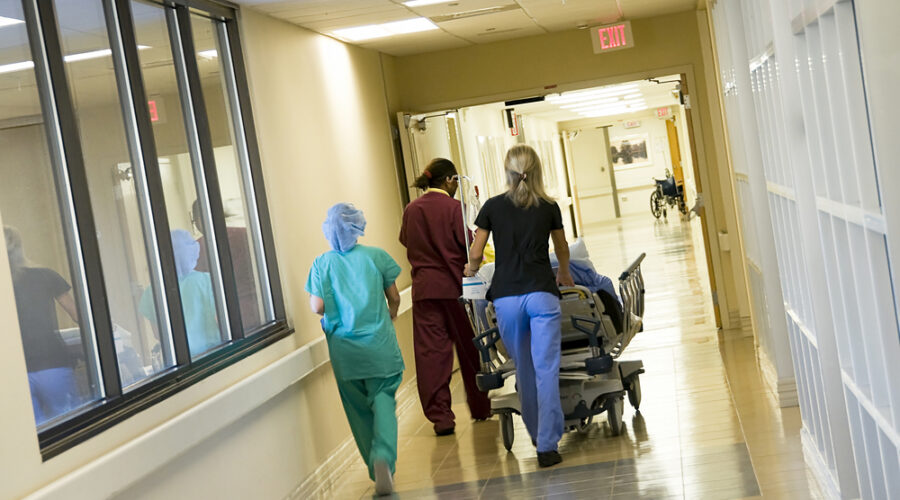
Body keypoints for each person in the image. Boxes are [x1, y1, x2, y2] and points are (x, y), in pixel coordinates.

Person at [464, 144, 574, 468]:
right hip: (542, 295)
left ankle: (537, 434)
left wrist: (471, 269)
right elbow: (562, 246)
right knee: (546, 369)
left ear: (508, 172)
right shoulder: (549, 206)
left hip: (507, 299)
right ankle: (548, 447)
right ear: (537, 170)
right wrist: (564, 272)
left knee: (523, 370)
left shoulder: (492, 207)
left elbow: (476, 250)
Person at [306, 203, 404, 496]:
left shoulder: (322, 263)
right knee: (383, 400)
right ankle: (383, 455)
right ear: (357, 228)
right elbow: (394, 297)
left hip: (345, 352)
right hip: (380, 346)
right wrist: (392, 312)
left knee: (359, 411)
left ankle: (375, 470)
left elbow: (317, 306)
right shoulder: (376, 257)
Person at [399, 158, 491, 436]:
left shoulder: (411, 209)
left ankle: (441, 418)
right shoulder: (454, 208)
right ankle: (480, 407)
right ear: (449, 180)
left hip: (425, 290)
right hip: (456, 289)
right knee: (468, 347)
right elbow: (467, 245)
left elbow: (405, 240)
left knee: (431, 355)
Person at [4, 226, 82, 425]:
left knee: (35, 434)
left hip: (13, 370)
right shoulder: (45, 275)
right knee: (70, 425)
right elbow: (77, 315)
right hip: (51, 362)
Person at [140, 229, 220, 357]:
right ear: (193, 252)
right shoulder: (208, 281)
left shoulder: (152, 292)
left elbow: (158, 334)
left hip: (180, 361)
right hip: (215, 354)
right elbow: (220, 320)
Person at [192, 200, 261, 330]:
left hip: (227, 319)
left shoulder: (197, 249)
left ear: (200, 219)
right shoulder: (247, 234)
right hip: (261, 310)